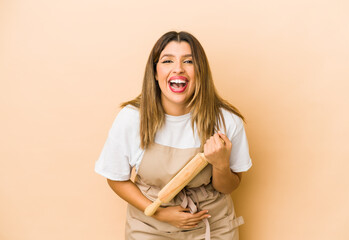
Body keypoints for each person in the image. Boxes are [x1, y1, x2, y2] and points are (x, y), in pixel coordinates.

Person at [95, 31, 252, 240]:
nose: (178, 68)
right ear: (155, 72)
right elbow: (116, 179)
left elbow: (230, 186)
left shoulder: (226, 121)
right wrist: (159, 212)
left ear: (201, 71)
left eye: (188, 61)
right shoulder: (131, 119)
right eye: (167, 61)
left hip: (212, 225)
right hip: (149, 225)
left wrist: (221, 164)